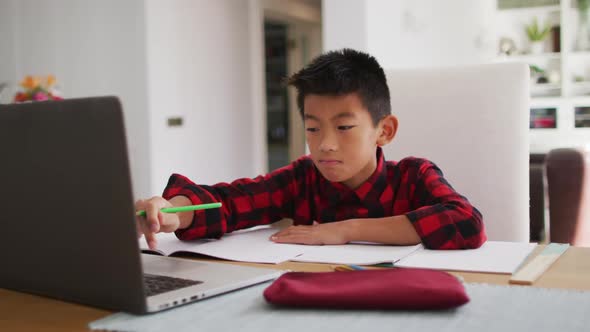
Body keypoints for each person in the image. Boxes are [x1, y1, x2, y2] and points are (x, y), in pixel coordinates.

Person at [136, 48, 486, 251]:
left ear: (384, 131)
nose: (325, 144)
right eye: (313, 129)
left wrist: (344, 230)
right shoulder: (304, 178)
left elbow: (466, 222)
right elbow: (229, 202)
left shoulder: (413, 176)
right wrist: (173, 211)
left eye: (344, 127)